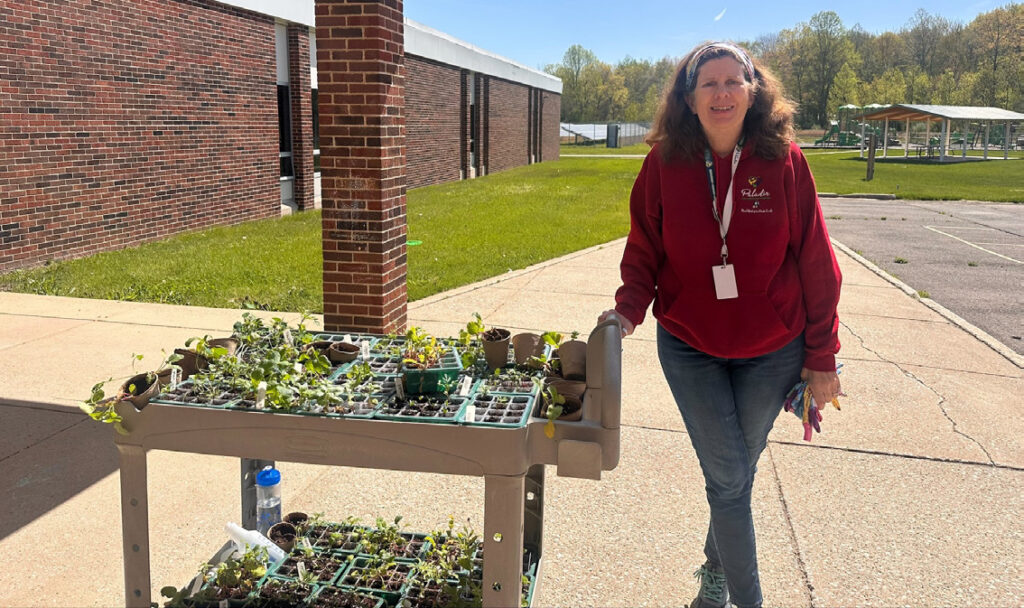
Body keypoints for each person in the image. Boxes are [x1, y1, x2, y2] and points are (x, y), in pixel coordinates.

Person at [598, 41, 842, 608]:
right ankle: (746, 599)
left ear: (754, 91)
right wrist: (628, 310)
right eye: (708, 83)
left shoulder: (784, 159)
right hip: (690, 345)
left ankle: (715, 572)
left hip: (773, 348)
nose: (722, 92)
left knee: (731, 475)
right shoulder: (663, 163)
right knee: (729, 477)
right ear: (688, 97)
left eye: (734, 81)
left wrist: (822, 356)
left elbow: (816, 259)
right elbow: (644, 248)